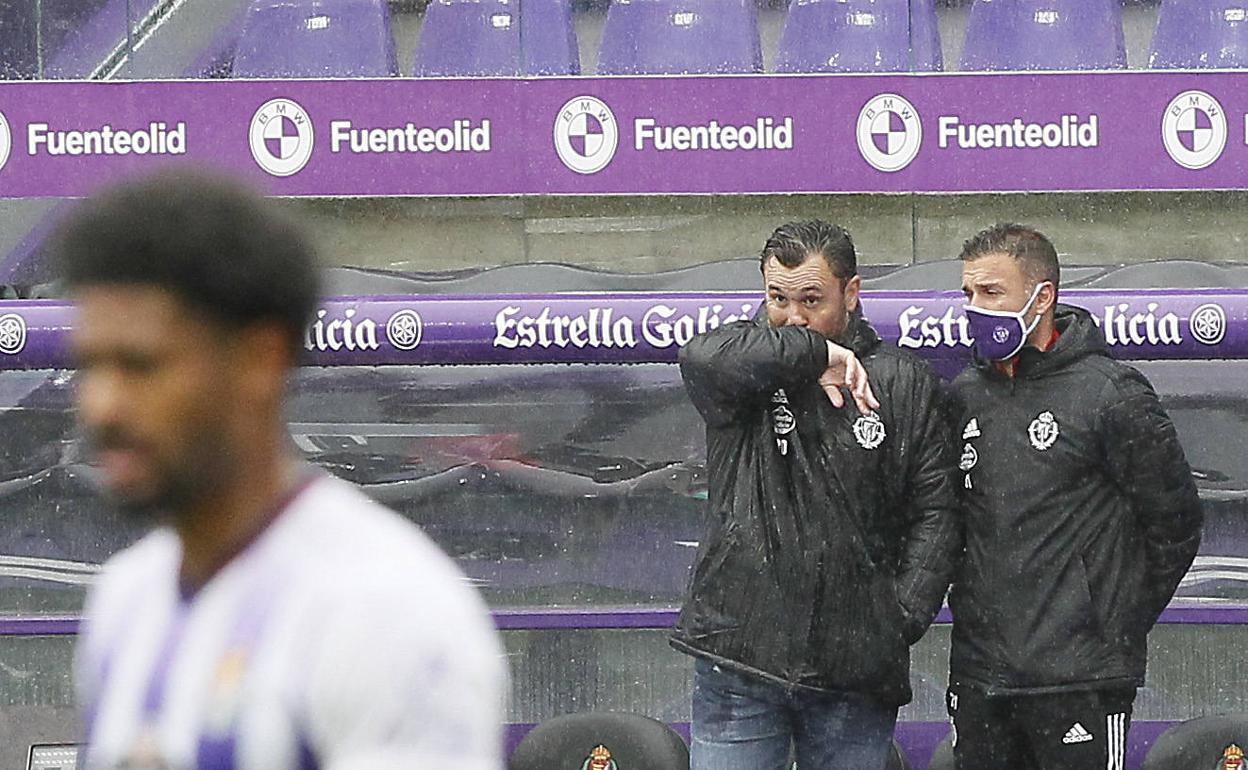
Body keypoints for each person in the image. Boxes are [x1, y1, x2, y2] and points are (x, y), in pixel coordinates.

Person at [58, 170, 506, 770]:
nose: (102, 405)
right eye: (90, 366)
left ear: (260, 359)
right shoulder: (124, 601)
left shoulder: (385, 612)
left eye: (140, 365)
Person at [672, 220, 961, 769]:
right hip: (739, 655)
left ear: (851, 294)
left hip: (853, 668)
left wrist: (894, 619)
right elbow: (698, 358)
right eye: (777, 299)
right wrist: (814, 354)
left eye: (811, 299)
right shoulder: (742, 368)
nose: (794, 316)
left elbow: (937, 515)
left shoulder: (900, 381)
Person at [948, 223, 1203, 770]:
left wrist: (1110, 621)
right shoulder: (965, 394)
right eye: (968, 293)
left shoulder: (1109, 392)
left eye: (992, 293)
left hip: (1079, 681)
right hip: (980, 677)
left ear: (1042, 298)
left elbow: (1175, 525)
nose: (975, 308)